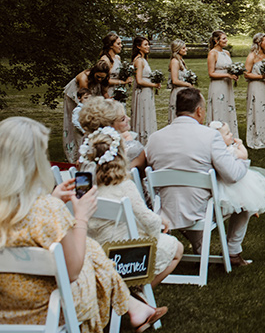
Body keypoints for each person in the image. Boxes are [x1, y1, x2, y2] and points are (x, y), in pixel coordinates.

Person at [0, 117, 167, 333]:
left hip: (5, 307)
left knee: (92, 248)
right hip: (47, 309)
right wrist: (81, 218)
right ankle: (133, 305)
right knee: (93, 253)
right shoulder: (47, 210)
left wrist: (55, 198)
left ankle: (135, 307)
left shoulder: (43, 207)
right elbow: (72, 271)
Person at [145, 87, 253, 267]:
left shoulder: (154, 138)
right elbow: (233, 175)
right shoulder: (210, 136)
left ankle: (200, 249)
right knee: (248, 197)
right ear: (199, 111)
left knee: (186, 195)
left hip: (164, 209)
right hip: (200, 210)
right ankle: (233, 250)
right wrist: (244, 161)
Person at [80, 127, 184, 288]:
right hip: (119, 254)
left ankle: (133, 299)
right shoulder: (124, 185)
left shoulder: (83, 184)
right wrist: (161, 223)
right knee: (176, 248)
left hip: (89, 250)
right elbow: (149, 221)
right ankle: (137, 296)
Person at [209, 121, 265, 215]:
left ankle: (247, 207)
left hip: (219, 182)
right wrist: (240, 145)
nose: (231, 134)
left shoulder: (213, 151)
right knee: (245, 194)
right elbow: (244, 156)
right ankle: (251, 207)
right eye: (227, 134)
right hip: (235, 181)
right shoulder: (231, 150)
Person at [78, 96, 146, 170]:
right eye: (123, 119)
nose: (128, 119)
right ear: (109, 127)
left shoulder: (87, 148)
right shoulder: (134, 150)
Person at [63, 62, 110, 163]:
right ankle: (74, 157)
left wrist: (110, 102)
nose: (100, 80)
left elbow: (104, 92)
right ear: (94, 72)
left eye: (102, 78)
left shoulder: (103, 79)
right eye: (98, 77)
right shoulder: (84, 78)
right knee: (78, 121)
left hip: (89, 97)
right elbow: (85, 96)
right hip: (77, 96)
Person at [244, 32, 265, 149]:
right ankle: (257, 137)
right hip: (255, 87)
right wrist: (261, 77)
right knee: (257, 109)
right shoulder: (252, 56)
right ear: (259, 43)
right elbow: (246, 74)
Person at [207, 30, 239, 138]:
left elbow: (229, 69)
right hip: (218, 85)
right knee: (219, 108)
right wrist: (227, 76)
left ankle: (229, 135)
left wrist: (234, 74)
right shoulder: (212, 54)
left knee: (228, 107)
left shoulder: (226, 53)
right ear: (216, 40)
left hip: (227, 85)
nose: (226, 40)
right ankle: (217, 136)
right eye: (223, 38)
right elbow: (211, 73)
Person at [130, 36, 160, 141]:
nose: (148, 47)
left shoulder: (143, 59)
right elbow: (139, 80)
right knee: (143, 115)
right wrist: (154, 85)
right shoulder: (139, 61)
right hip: (142, 92)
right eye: (145, 45)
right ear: (138, 47)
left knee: (148, 114)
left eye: (148, 44)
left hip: (147, 92)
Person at [168, 39, 196, 126]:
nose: (186, 49)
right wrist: (188, 84)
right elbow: (175, 80)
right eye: (183, 48)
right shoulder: (175, 62)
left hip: (183, 91)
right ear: (177, 49)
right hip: (178, 92)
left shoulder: (181, 61)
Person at [97, 31, 128, 98]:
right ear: (111, 45)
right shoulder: (105, 60)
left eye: (121, 43)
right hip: (108, 91)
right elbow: (104, 80)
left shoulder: (117, 58)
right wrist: (122, 82)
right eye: (118, 44)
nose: (121, 46)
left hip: (118, 90)